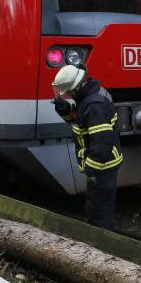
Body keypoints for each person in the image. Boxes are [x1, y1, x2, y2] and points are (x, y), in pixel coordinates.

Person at [52, 63, 122, 230]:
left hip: (102, 165)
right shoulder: (89, 95)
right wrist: (63, 108)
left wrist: (91, 169)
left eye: (68, 92)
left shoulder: (93, 105)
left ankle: (101, 244)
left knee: (99, 210)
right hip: (102, 163)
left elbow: (101, 142)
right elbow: (80, 121)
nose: (67, 94)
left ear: (76, 88)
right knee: (97, 205)